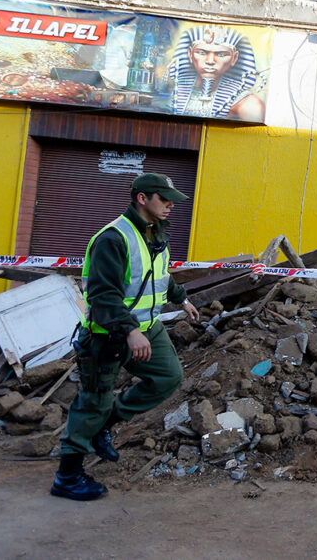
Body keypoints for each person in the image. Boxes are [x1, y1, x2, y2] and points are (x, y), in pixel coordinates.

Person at [51, 173, 201, 501]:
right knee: (93, 402)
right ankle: (68, 476)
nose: (171, 205)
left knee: (168, 376)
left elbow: (159, 277)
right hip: (107, 335)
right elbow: (103, 296)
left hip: (148, 328)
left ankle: (108, 423)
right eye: (164, 199)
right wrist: (130, 330)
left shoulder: (155, 233)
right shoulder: (113, 238)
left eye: (171, 199)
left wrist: (182, 299)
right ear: (142, 198)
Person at [168, 25, 265, 121]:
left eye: (221, 54)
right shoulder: (175, 94)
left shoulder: (249, 104)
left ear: (234, 58)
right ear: (190, 54)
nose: (210, 61)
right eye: (202, 53)